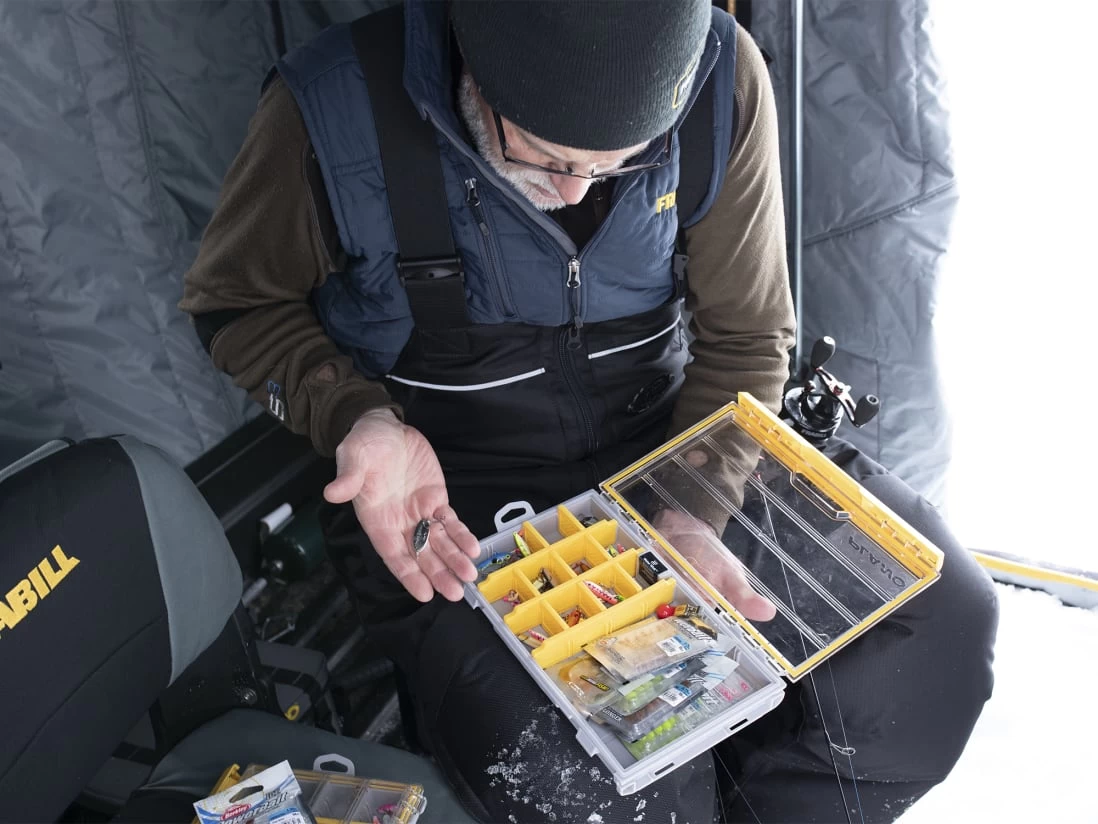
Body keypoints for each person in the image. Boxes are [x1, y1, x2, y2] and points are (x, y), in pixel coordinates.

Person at [181, 1, 999, 821]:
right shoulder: (329, 104)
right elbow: (235, 304)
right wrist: (354, 414)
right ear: (474, 70)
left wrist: (694, 506)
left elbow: (749, 337)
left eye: (619, 165)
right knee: (596, 779)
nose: (575, 191)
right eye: (544, 155)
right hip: (450, 488)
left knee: (933, 636)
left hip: (678, 440)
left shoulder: (720, 78)